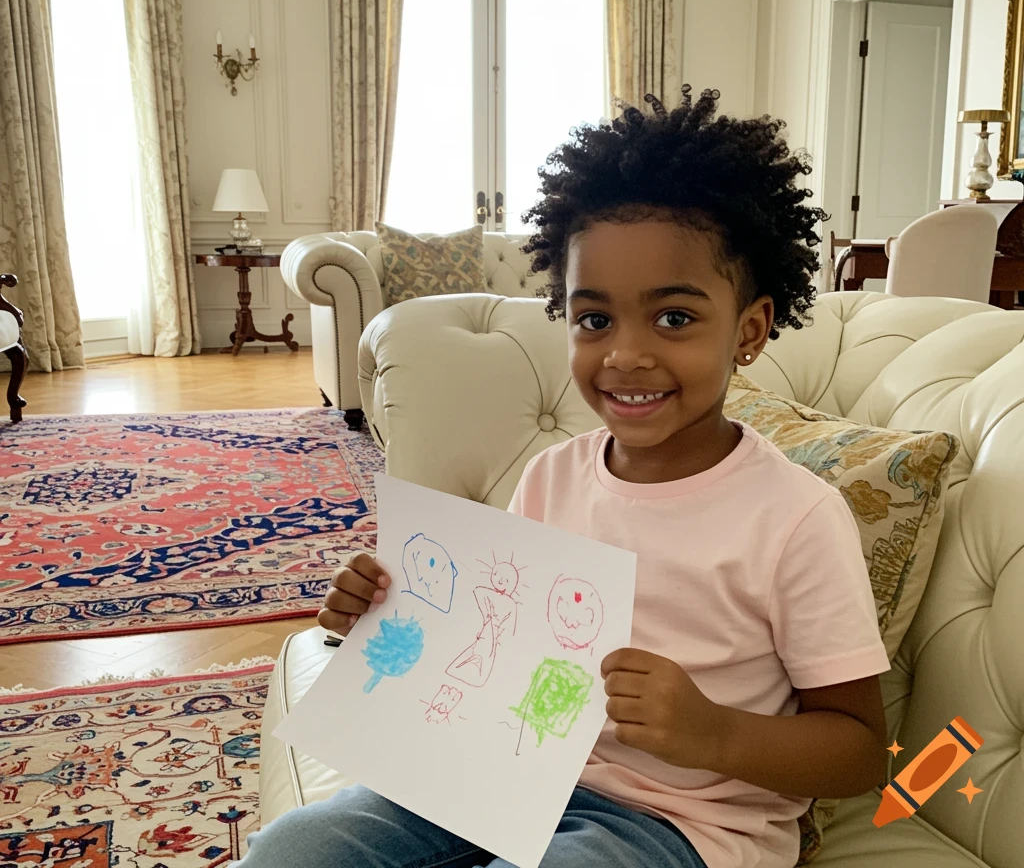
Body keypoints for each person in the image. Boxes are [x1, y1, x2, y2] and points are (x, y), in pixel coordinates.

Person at [240, 87, 891, 868]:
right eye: (594, 319)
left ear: (749, 330)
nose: (625, 354)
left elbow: (858, 753)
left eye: (674, 318)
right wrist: (383, 622)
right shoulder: (551, 476)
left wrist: (712, 730)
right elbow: (492, 641)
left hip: (676, 823)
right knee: (295, 851)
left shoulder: (795, 517)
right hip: (499, 770)